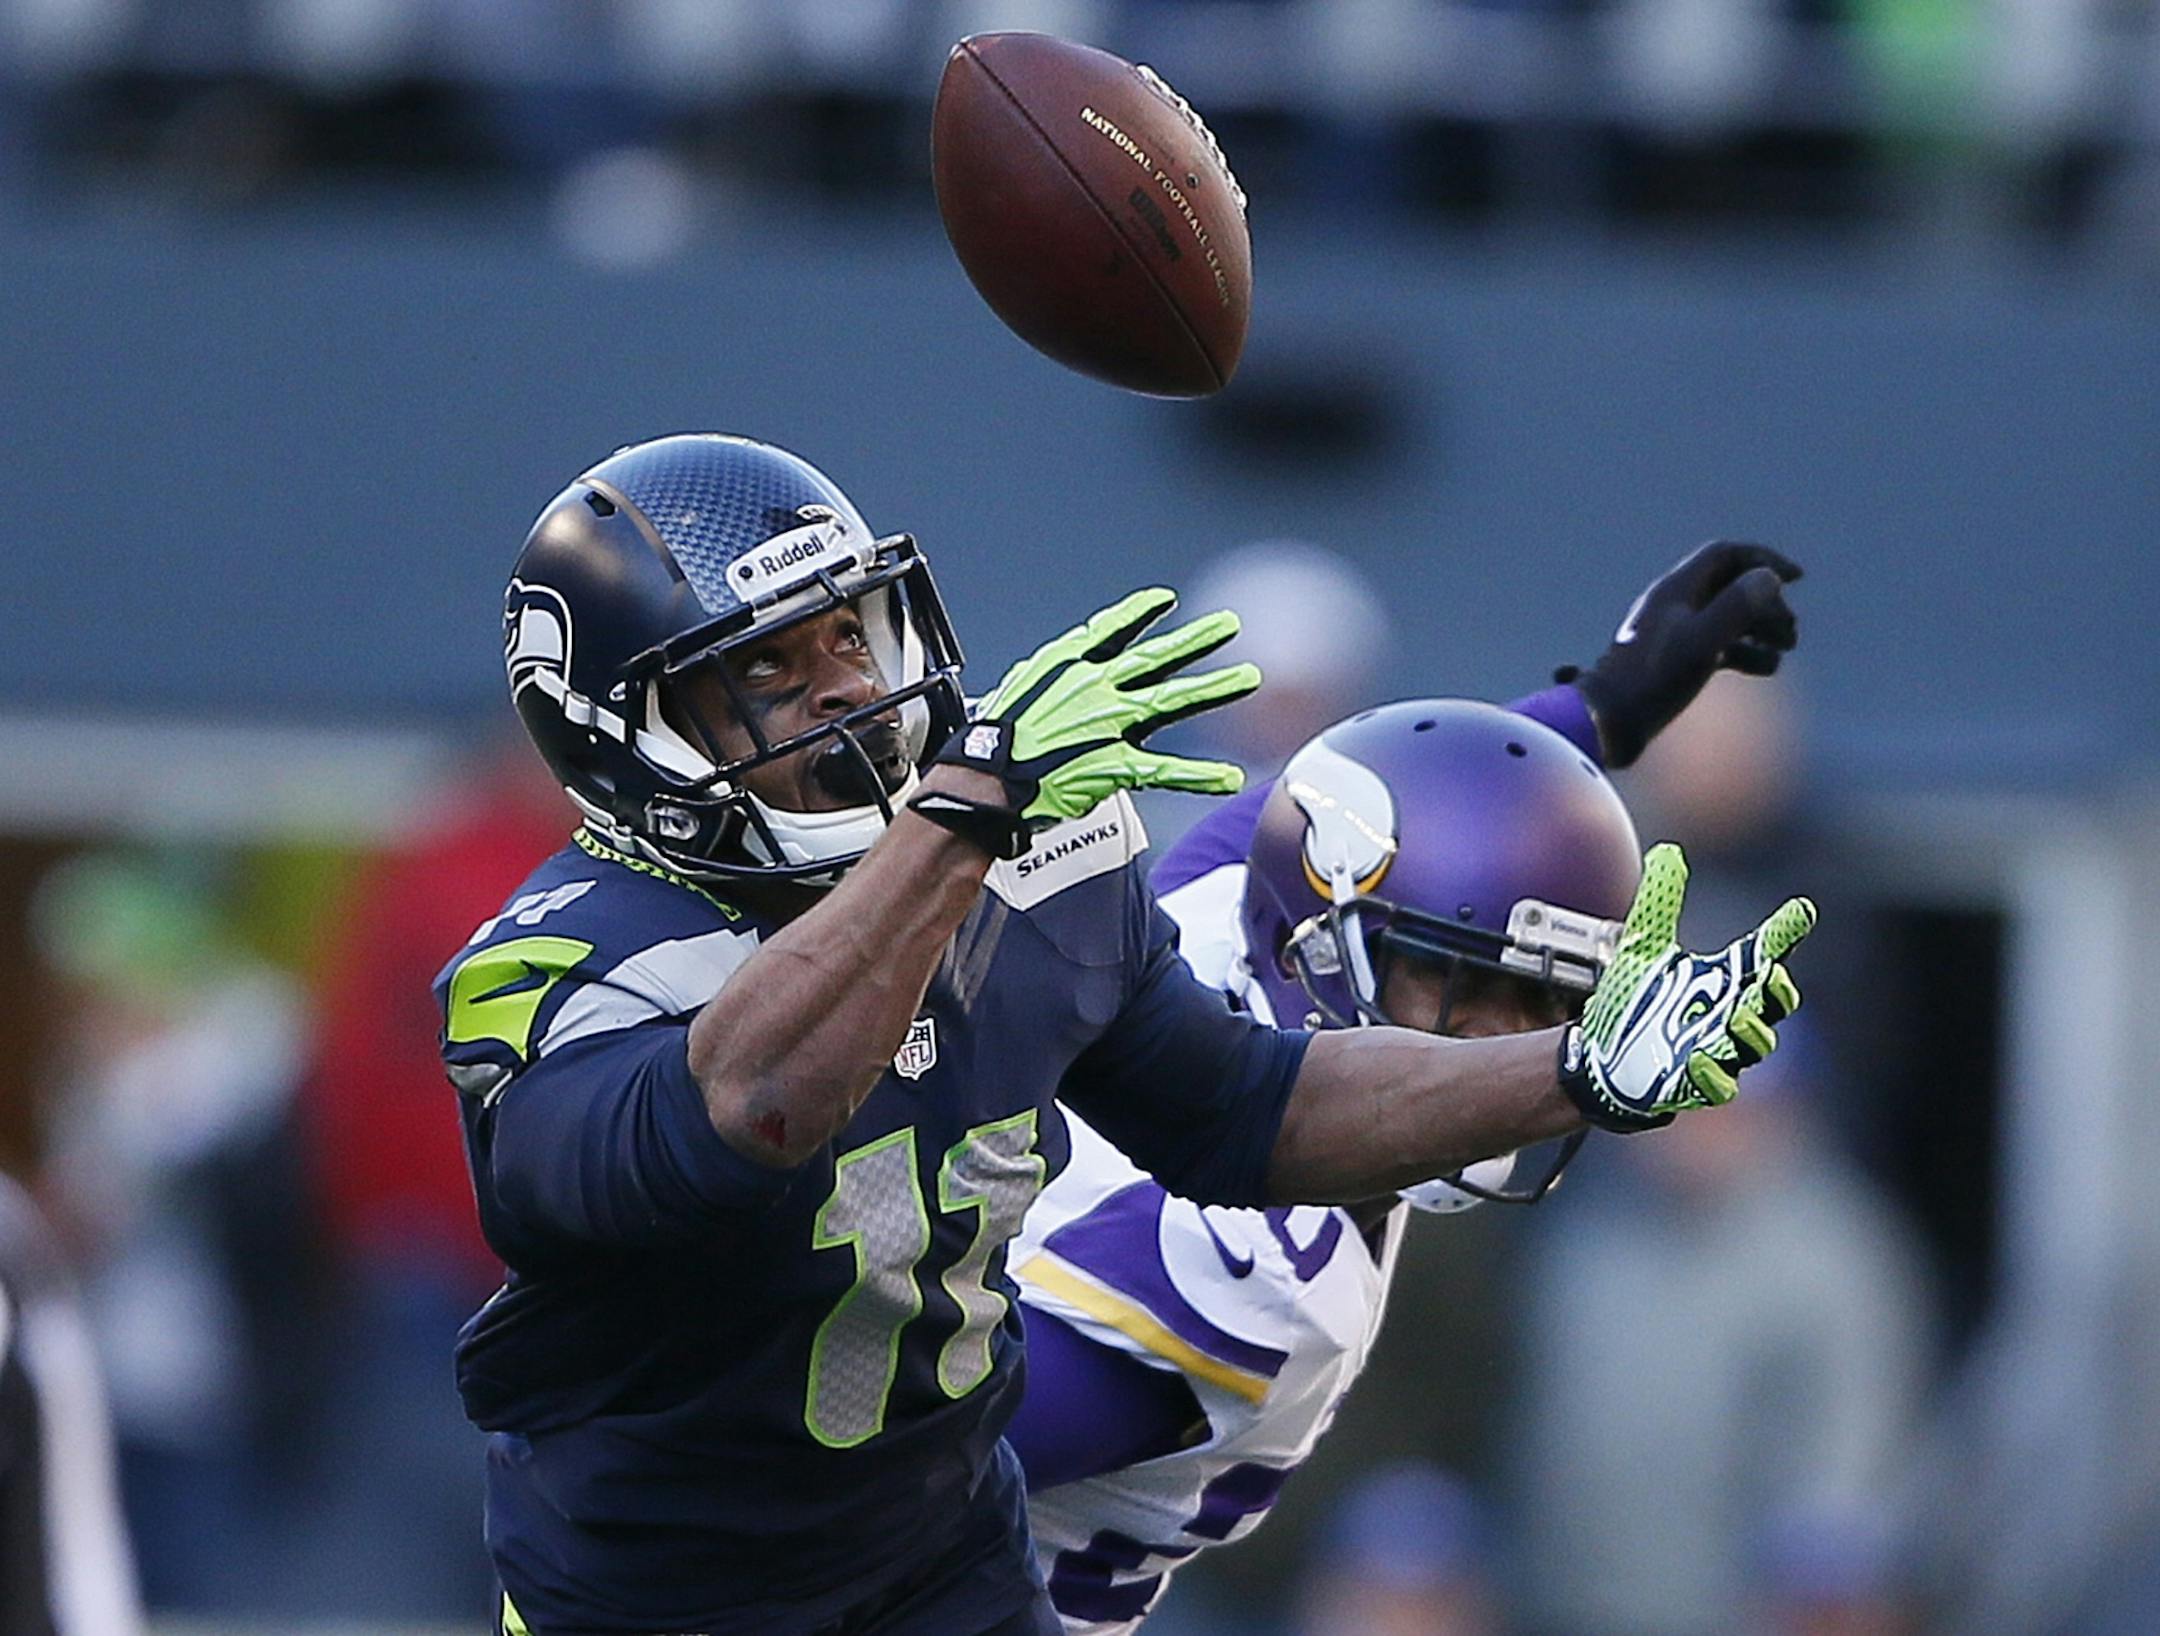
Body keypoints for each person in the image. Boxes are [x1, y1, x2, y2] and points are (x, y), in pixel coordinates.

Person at [438, 432, 1814, 1636]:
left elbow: (1252, 1107)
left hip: (945, 1568)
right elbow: (753, 1107)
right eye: (770, 673)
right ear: (635, 734)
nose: (849, 692)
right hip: (669, 1592)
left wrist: (1569, 1063)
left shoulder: (1022, 846)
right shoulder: (558, 971)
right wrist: (963, 823)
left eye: (849, 635)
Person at [1000, 538, 1801, 1632]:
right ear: (1313, 941)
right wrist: (1600, 711)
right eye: (1457, 986)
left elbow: (873, 1460)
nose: (1496, 1048)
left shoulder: (1267, 1282)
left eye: (1543, 1003)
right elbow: (1345, 800)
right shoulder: (1224, 901)